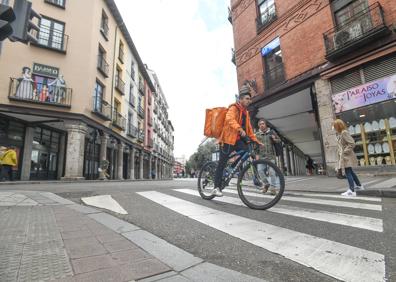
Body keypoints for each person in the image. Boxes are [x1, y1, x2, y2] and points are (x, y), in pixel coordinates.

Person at [212, 85, 260, 197]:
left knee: (248, 152)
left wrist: (256, 140)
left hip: (238, 140)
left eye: (250, 99)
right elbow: (229, 119)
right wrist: (239, 129)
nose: (249, 101)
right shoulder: (233, 108)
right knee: (221, 163)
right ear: (241, 99)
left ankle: (232, 169)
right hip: (228, 140)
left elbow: (249, 129)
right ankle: (216, 187)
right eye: (247, 99)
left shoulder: (246, 113)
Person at [333, 119, 363, 196]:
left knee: (348, 172)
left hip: (347, 156)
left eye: (335, 126)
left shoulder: (344, 133)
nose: (334, 128)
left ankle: (351, 190)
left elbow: (352, 143)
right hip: (345, 157)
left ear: (338, 126)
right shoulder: (340, 134)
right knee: (351, 172)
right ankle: (359, 186)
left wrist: (344, 152)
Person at [255, 118, 281, 194]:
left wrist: (274, 139)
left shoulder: (272, 132)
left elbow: (279, 140)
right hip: (261, 156)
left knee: (272, 172)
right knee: (260, 171)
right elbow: (255, 146)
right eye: (260, 124)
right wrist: (256, 154)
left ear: (265, 124)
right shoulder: (257, 134)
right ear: (258, 126)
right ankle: (266, 184)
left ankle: (273, 188)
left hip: (271, 156)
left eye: (263, 124)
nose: (261, 125)